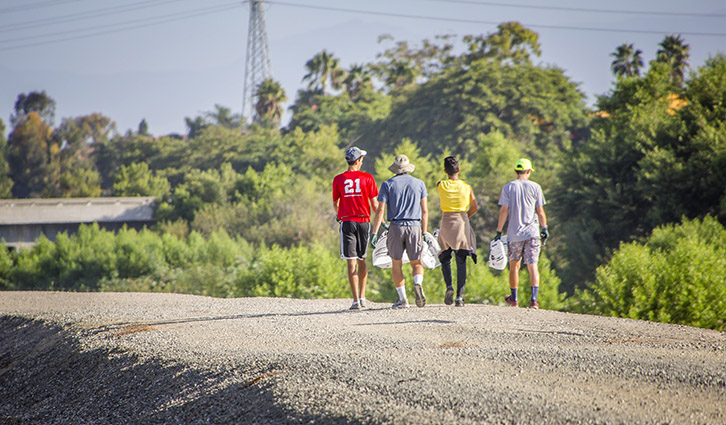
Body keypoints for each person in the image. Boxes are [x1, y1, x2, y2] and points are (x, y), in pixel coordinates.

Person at [371, 154, 429, 309]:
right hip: (414, 226)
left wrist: (375, 232)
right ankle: (417, 283)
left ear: (395, 168)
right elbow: (424, 212)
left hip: (395, 227)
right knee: (416, 261)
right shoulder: (419, 184)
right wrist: (424, 232)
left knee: (396, 263)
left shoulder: (387, 184)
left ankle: (403, 300)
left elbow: (380, 210)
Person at [494, 158, 549, 309]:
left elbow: (504, 211)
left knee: (514, 266)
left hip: (514, 234)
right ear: (529, 171)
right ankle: (534, 300)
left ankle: (514, 299)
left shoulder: (508, 187)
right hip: (532, 233)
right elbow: (540, 211)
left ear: (515, 171)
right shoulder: (536, 187)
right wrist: (544, 228)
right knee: (533, 265)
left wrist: (499, 231)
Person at [332, 147, 379, 310]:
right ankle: (363, 296)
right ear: (358, 161)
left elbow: (335, 203)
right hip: (364, 222)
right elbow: (375, 205)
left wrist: (339, 215)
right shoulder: (368, 178)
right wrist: (381, 222)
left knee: (350, 262)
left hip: (347, 222)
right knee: (362, 260)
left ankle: (355, 301)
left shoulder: (338, 179)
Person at [436, 156, 478, 307]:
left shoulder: (441, 185)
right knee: (461, 260)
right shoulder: (467, 187)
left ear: (445, 171)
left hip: (446, 223)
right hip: (461, 223)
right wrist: (466, 216)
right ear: (459, 170)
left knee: (445, 257)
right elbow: (475, 207)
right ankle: (459, 297)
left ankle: (449, 286)